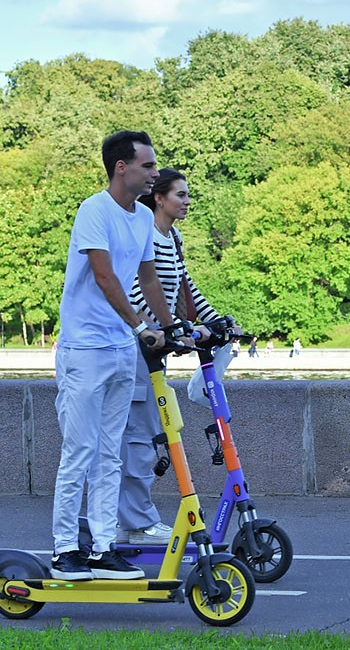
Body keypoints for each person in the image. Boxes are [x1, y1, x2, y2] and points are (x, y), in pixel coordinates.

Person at [50, 130, 173, 582]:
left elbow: (149, 277)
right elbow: (104, 277)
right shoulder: (93, 210)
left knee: (110, 456)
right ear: (121, 167)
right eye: (147, 166)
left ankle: (103, 549)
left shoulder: (142, 217)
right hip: (85, 351)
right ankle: (65, 551)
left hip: (122, 350)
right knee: (79, 451)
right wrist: (140, 327)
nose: (154, 173)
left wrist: (169, 329)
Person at [117, 168, 223, 545]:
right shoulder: (146, 230)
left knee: (150, 433)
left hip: (153, 344)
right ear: (159, 198)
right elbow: (133, 290)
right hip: (135, 347)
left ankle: (133, 520)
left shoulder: (172, 236)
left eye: (188, 195)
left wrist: (217, 321)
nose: (187, 201)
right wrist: (161, 329)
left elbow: (185, 287)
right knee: (138, 436)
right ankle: (135, 524)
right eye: (180, 195)